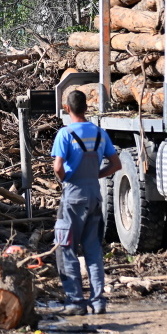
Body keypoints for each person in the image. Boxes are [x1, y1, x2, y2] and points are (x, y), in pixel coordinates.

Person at [51, 89, 120, 315]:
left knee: (66, 248)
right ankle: (98, 301)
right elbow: (116, 164)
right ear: (87, 108)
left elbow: (58, 167)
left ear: (67, 109)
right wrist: (95, 176)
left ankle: (76, 301)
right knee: (93, 250)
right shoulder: (101, 133)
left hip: (73, 197)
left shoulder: (65, 134)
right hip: (94, 195)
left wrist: (66, 180)